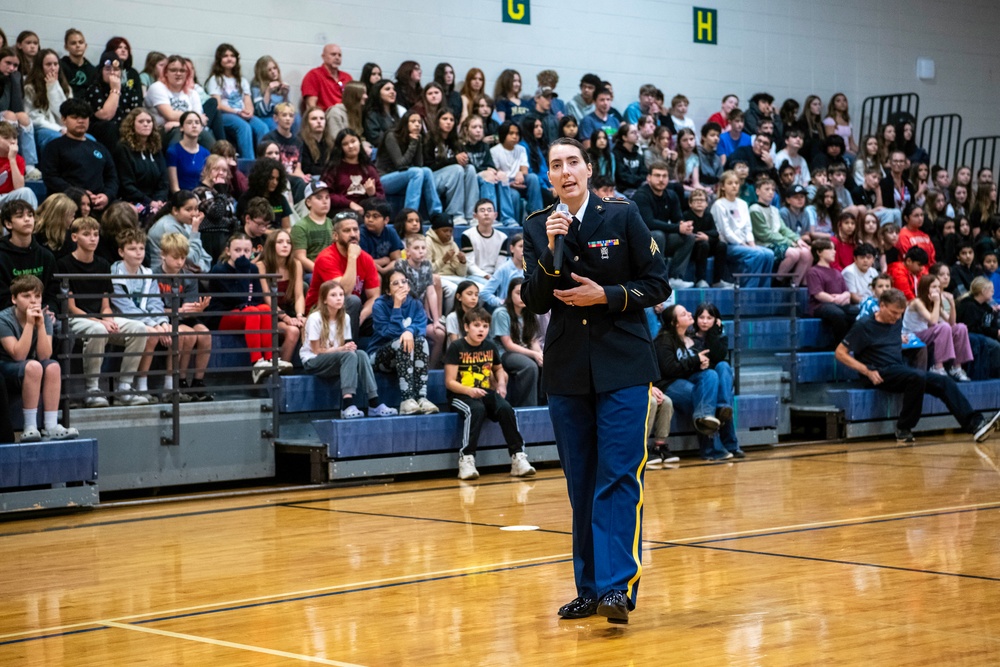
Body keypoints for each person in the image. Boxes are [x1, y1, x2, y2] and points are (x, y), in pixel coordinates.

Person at [520, 137, 670, 624]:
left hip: (624, 364)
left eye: (573, 163)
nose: (566, 171)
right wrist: (551, 251)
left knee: (620, 475)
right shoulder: (538, 225)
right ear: (549, 177)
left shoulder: (622, 215)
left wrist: (605, 295)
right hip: (567, 371)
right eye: (556, 165)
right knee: (581, 482)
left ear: (587, 170)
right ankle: (588, 589)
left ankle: (616, 588)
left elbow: (658, 283)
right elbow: (535, 299)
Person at [836, 288, 1000, 445]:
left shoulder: (896, 321)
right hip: (876, 371)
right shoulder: (864, 325)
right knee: (917, 376)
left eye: (900, 313)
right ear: (882, 306)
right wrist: (867, 371)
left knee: (944, 382)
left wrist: (899, 339)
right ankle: (904, 427)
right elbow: (840, 353)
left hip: (897, 369)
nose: (897, 317)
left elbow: (885, 340)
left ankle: (974, 424)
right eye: (893, 312)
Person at [57, 216, 149, 406]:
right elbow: (71, 308)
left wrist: (108, 318)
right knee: (98, 330)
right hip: (75, 318)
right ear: (74, 237)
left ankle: (124, 388)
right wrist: (100, 322)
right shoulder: (64, 264)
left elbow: (105, 304)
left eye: (96, 234)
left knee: (139, 328)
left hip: (99, 319)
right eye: (87, 234)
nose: (93, 238)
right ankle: (92, 390)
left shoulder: (103, 264)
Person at [446, 306, 534, 480]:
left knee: (506, 409)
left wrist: (501, 384)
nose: (481, 330)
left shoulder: (490, 346)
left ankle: (518, 457)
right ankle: (466, 459)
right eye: (476, 325)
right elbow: (449, 382)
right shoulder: (457, 347)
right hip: (460, 395)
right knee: (476, 410)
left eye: (485, 326)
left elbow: (498, 369)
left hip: (485, 392)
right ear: (466, 327)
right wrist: (469, 391)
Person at [301, 279, 396, 418]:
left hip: (334, 359)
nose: (339, 298)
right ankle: (347, 405)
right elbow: (316, 351)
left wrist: (349, 347)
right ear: (324, 300)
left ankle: (374, 403)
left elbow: (343, 347)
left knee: (361, 354)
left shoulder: (345, 317)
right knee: (349, 355)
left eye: (341, 294)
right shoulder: (315, 318)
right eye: (333, 295)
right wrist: (342, 349)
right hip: (313, 360)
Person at [0, 275, 78, 441]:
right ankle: (30, 426)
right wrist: (30, 324)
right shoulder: (3, 319)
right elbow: (18, 355)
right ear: (14, 299)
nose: (33, 301)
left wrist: (41, 325)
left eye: (37, 296)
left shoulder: (44, 316)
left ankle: (51, 426)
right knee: (33, 366)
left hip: (31, 367)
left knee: (53, 366)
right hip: (7, 368)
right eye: (26, 296)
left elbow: (45, 355)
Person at [209, 232, 292, 383]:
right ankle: (257, 362)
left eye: (246, 251)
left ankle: (270, 358)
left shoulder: (252, 269)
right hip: (222, 316)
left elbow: (257, 298)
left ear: (252, 252)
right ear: (228, 251)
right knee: (253, 311)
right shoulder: (219, 270)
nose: (242, 254)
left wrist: (248, 302)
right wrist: (242, 270)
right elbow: (237, 298)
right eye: (237, 250)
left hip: (244, 312)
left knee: (265, 309)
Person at [110, 228, 170, 402]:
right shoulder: (114, 274)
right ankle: (134, 386)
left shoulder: (148, 274)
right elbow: (125, 307)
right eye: (132, 249)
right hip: (119, 318)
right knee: (151, 333)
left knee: (171, 331)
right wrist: (154, 324)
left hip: (144, 320)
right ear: (121, 252)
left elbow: (155, 302)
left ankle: (162, 387)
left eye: (141, 248)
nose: (138, 253)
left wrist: (162, 322)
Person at [368, 268, 438, 415]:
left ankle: (421, 398)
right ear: (388, 291)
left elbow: (421, 329)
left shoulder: (416, 304)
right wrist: (397, 307)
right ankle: (407, 400)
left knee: (421, 342)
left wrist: (409, 331)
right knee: (402, 343)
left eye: (404, 282)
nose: (401, 285)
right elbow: (389, 333)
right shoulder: (379, 305)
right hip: (379, 357)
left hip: (405, 358)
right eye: (395, 283)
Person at [156, 232, 213, 401]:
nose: (180, 262)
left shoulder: (188, 276)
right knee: (188, 334)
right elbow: (155, 308)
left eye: (183, 258)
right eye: (175, 258)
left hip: (184, 317)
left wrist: (198, 309)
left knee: (205, 334)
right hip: (167, 318)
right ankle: (180, 381)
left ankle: (197, 382)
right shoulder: (154, 275)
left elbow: (189, 308)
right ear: (163, 255)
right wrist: (179, 310)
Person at [305, 212, 380, 335]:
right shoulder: (326, 257)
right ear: (335, 236)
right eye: (347, 231)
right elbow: (344, 292)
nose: (353, 234)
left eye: (355, 230)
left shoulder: (366, 258)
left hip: (351, 311)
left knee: (381, 314)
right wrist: (352, 257)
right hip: (321, 310)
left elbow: (374, 296)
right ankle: (349, 346)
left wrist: (361, 316)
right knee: (353, 300)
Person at [40, 99, 118, 210]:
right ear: (64, 119)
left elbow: (112, 177)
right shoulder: (54, 147)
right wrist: (79, 194)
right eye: (75, 117)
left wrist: (107, 195)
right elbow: (50, 177)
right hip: (67, 205)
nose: (81, 121)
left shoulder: (100, 148)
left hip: (99, 203)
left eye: (84, 117)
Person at [691, 302, 743, 458]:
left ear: (716, 320)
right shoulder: (690, 338)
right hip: (699, 378)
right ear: (696, 319)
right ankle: (729, 444)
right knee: (715, 385)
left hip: (714, 377)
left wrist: (713, 333)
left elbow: (718, 356)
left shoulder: (720, 337)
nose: (705, 321)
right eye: (701, 317)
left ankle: (723, 408)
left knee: (724, 366)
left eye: (709, 318)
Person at [902, 274, 973, 381]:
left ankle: (956, 367)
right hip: (911, 336)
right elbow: (933, 321)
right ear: (925, 288)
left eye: (938, 287)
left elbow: (952, 323)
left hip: (926, 334)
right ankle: (937, 367)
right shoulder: (917, 302)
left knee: (960, 328)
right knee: (943, 327)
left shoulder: (934, 303)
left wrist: (952, 304)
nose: (937, 290)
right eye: (934, 287)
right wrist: (937, 302)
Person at [712, 171, 774, 287]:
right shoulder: (719, 204)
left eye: (736, 183)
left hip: (744, 243)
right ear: (723, 187)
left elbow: (748, 227)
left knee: (769, 254)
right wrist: (743, 244)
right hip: (729, 245)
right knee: (757, 254)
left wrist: (751, 243)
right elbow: (726, 231)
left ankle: (764, 290)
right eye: (730, 183)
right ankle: (749, 290)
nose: (734, 186)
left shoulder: (743, 204)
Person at [206, 44, 268, 158]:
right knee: (244, 127)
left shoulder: (242, 80)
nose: (229, 58)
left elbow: (248, 101)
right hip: (225, 115)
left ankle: (264, 161)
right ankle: (249, 162)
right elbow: (217, 105)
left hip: (242, 113)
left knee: (262, 127)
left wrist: (249, 112)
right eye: (225, 56)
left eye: (232, 56)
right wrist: (237, 112)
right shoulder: (215, 79)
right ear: (219, 60)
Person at [490, 278, 543, 407]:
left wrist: (540, 354)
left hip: (523, 351)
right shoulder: (501, 313)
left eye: (525, 293)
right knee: (529, 366)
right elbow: (508, 345)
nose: (522, 297)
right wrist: (534, 354)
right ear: (510, 294)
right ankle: (526, 408)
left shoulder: (530, 312)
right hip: (503, 354)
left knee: (547, 363)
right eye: (518, 293)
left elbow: (532, 340)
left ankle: (544, 405)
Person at [750, 176, 812, 286]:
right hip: (764, 244)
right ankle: (777, 282)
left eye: (773, 190)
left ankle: (795, 285)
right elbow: (765, 235)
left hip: (778, 242)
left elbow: (783, 229)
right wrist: (789, 242)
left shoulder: (774, 210)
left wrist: (797, 239)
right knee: (793, 253)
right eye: (767, 189)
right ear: (758, 191)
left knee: (806, 252)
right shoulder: (754, 209)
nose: (771, 192)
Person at [114, 108, 168, 215]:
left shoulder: (155, 147)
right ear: (131, 125)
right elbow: (126, 184)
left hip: (156, 201)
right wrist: (150, 202)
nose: (146, 124)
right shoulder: (123, 148)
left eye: (149, 121)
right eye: (141, 121)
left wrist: (159, 200)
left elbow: (163, 181)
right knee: (153, 214)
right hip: (133, 200)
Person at [805, 238, 859, 344]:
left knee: (856, 312)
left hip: (839, 303)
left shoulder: (837, 272)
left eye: (834, 249)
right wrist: (835, 300)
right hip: (820, 306)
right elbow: (818, 294)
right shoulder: (813, 271)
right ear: (819, 252)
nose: (834, 252)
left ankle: (854, 344)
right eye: (830, 249)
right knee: (837, 313)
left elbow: (846, 292)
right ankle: (840, 345)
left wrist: (841, 297)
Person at [22, 48, 72, 157]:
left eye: (55, 64)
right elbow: (34, 118)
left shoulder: (66, 88)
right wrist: (59, 129)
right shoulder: (29, 88)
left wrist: (53, 87)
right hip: (42, 129)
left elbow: (64, 113)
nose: (53, 68)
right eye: (48, 64)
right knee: (57, 139)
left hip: (64, 128)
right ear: (40, 67)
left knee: (90, 139)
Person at [290, 179, 333, 273]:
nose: (325, 201)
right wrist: (322, 271)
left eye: (327, 197)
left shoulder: (333, 224)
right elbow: (300, 257)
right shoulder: (300, 227)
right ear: (308, 202)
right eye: (319, 198)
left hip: (333, 268)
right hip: (311, 272)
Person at [0, 123, 37, 208]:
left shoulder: (19, 159)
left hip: (7, 198)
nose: (13, 141)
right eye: (6, 138)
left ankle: (32, 216)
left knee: (26, 192)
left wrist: (12, 159)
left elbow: (19, 188)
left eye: (15, 138)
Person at [60, 28, 96, 100]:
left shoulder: (92, 70)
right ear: (66, 47)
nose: (78, 45)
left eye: (81, 42)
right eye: (73, 43)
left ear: (85, 46)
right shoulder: (60, 66)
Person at [446, 280, 481, 344]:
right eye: (469, 294)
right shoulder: (452, 317)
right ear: (459, 297)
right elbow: (455, 344)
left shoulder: (480, 316)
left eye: (476, 295)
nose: (474, 298)